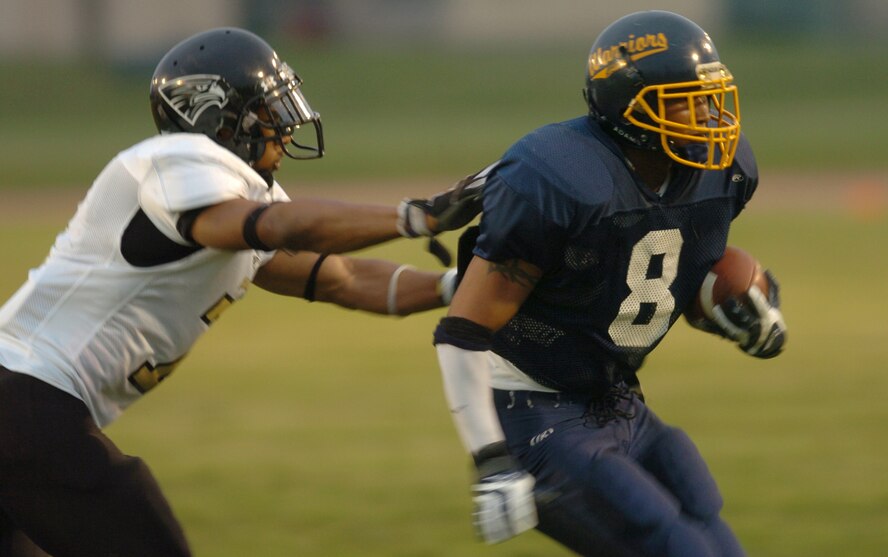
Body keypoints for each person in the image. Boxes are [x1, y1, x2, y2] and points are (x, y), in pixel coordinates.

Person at [0, 27, 480, 557]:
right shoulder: (178, 160)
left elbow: (342, 279)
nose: (285, 125)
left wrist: (457, 286)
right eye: (269, 110)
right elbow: (275, 227)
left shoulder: (240, 194)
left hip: (25, 407)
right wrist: (417, 216)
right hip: (24, 398)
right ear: (218, 117)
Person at [433, 11, 787, 556]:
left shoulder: (724, 173)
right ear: (629, 108)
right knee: (673, 544)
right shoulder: (561, 175)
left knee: (711, 531)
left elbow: (649, 273)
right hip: (533, 408)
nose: (707, 114)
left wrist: (736, 304)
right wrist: (490, 459)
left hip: (615, 399)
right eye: (685, 100)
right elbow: (463, 329)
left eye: (709, 96)